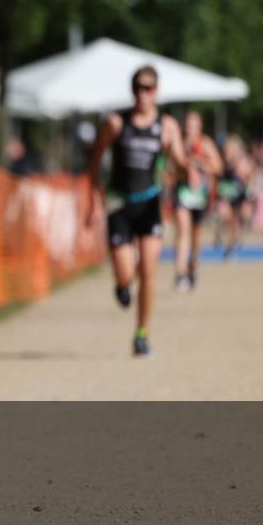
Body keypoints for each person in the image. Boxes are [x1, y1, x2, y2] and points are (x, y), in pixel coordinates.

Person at [85, 65, 188, 356]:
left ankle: (141, 334)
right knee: (126, 273)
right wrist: (93, 200)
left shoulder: (167, 127)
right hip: (119, 203)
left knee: (148, 271)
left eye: (148, 88)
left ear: (157, 91)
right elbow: (93, 164)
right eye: (138, 88)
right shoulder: (116, 123)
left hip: (149, 203)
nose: (143, 94)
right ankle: (121, 284)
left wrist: (186, 168)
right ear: (132, 91)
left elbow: (179, 159)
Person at [172, 111, 222, 291]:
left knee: (195, 236)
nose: (190, 128)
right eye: (187, 125)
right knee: (182, 232)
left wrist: (201, 164)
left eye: (193, 125)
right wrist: (184, 165)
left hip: (199, 196)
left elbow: (218, 167)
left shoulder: (206, 143)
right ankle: (179, 274)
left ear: (199, 126)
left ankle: (193, 269)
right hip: (182, 193)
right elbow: (172, 167)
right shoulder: (179, 143)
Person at [214, 135, 255, 258]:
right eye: (228, 149)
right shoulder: (221, 161)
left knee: (236, 222)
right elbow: (216, 174)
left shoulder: (243, 162)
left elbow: (250, 177)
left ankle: (230, 248)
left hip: (238, 194)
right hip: (225, 194)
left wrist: (246, 180)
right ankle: (220, 232)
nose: (230, 152)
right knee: (226, 217)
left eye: (233, 149)